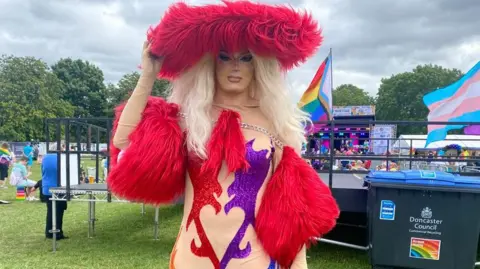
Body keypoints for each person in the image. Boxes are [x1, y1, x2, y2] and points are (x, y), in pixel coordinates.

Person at [108, 2, 340, 269]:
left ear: (258, 66)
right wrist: (148, 75)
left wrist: (299, 266)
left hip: (255, 261)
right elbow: (123, 141)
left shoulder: (278, 124)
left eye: (246, 58)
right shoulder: (188, 118)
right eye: (225, 57)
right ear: (210, 62)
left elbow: (294, 208)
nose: (235, 67)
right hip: (191, 259)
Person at [42, 153, 68, 240]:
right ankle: (57, 233)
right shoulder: (62, 157)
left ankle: (49, 232)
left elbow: (43, 171)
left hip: (46, 187)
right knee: (59, 212)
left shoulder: (45, 157)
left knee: (50, 211)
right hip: (59, 188)